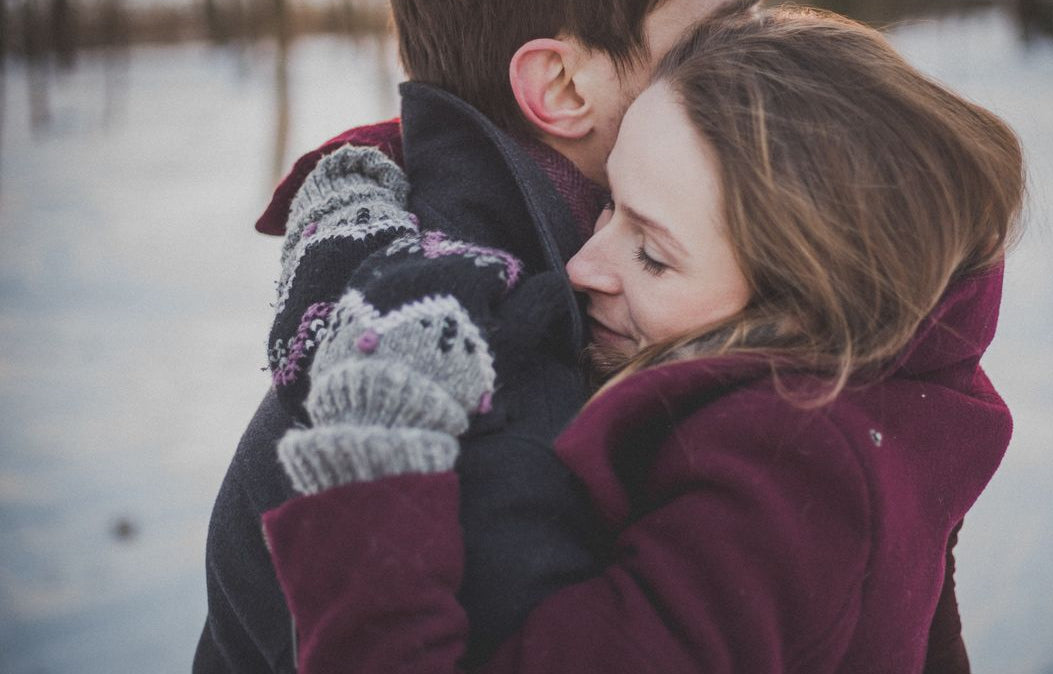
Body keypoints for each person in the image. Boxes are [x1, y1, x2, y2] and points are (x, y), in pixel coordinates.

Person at [259, 5, 1026, 672]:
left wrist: (369, 464)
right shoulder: (886, 399)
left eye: (653, 254)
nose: (583, 267)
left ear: (804, 304)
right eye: (608, 205)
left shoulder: (779, 494)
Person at [194, 1, 760, 671]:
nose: (760, 53)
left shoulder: (482, 273)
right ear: (563, 87)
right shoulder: (494, 392)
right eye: (719, 32)